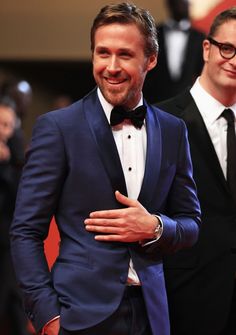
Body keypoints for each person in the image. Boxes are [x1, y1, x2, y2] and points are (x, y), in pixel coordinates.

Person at [10, 3, 201, 335]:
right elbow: (25, 231)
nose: (111, 67)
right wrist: (49, 318)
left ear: (151, 59)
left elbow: (191, 224)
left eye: (125, 55)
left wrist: (155, 227)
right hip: (78, 316)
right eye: (103, 53)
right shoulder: (58, 128)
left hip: (153, 317)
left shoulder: (173, 130)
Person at [157, 7, 236, 335]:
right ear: (207, 48)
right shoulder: (161, 120)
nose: (234, 61)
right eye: (227, 48)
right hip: (186, 297)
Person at [0, 96, 29, 335]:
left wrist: (6, 165)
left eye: (8, 125)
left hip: (7, 243)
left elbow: (21, 201)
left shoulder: (17, 159)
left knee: (14, 301)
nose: (3, 131)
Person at [143, 0, 205, 103]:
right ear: (169, 4)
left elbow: (202, 74)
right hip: (155, 102)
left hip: (188, 104)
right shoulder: (153, 34)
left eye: (187, 2)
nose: (185, 5)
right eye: (180, 2)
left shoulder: (199, 37)